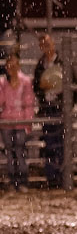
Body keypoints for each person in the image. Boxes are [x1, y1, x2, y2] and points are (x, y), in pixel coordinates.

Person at [33, 33, 71, 189]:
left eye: (48, 44)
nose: (46, 47)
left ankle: (61, 177)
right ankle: (52, 178)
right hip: (47, 108)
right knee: (49, 143)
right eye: (43, 45)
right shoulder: (40, 65)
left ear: (53, 44)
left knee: (60, 143)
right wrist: (43, 92)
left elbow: (72, 85)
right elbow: (36, 87)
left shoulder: (62, 63)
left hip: (59, 108)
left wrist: (67, 105)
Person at [0, 52, 35, 191]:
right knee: (10, 151)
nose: (11, 69)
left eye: (14, 66)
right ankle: (13, 179)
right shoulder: (2, 83)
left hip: (20, 120)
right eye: (9, 66)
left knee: (20, 151)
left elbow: (29, 103)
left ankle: (22, 180)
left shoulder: (25, 81)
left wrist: (28, 122)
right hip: (7, 120)